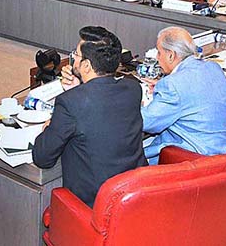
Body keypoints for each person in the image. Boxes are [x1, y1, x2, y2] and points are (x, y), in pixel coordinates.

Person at [34, 26, 147, 207]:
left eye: (76, 55)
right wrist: (80, 88)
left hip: (94, 206)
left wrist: (50, 128)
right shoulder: (133, 89)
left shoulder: (70, 103)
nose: (73, 60)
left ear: (86, 65)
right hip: (133, 197)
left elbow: (42, 157)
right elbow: (101, 110)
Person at [141, 27, 226, 164]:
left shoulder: (173, 85)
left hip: (198, 157)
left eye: (159, 52)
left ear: (171, 55)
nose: (157, 58)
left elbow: (147, 122)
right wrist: (162, 85)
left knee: (130, 153)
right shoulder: (213, 67)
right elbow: (193, 90)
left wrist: (133, 101)